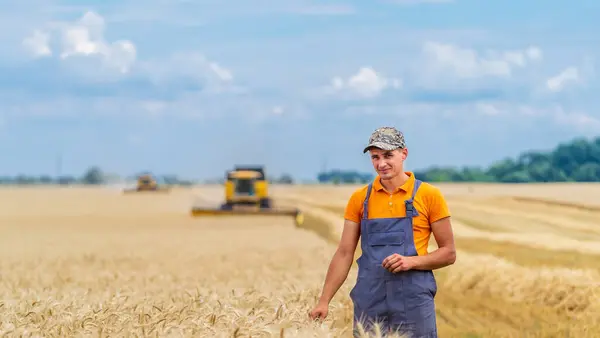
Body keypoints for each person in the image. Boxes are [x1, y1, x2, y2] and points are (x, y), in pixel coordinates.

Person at [309, 126, 456, 338]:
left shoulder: (429, 195)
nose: (381, 163)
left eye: (388, 155)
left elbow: (449, 253)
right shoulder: (360, 199)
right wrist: (324, 301)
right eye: (375, 157)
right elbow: (344, 252)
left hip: (413, 299)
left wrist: (411, 262)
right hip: (370, 299)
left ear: (404, 153)